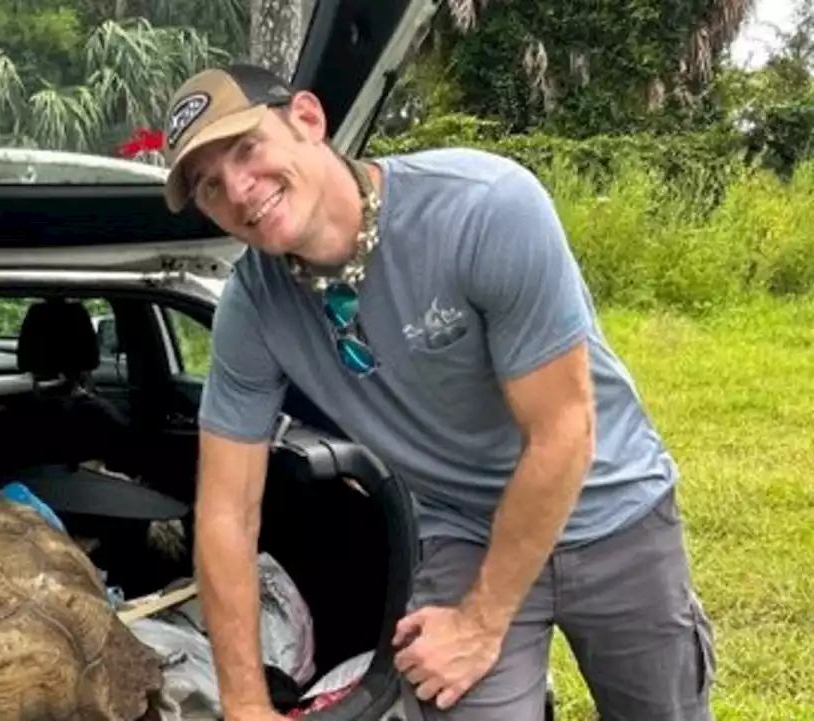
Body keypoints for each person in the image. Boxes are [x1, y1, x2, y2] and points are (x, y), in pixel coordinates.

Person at [160, 62, 717, 721]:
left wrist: (482, 624)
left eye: (247, 149)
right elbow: (227, 512)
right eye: (210, 186)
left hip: (611, 507)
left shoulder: (483, 208)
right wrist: (248, 704)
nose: (240, 191)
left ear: (308, 118)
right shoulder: (253, 308)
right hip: (464, 525)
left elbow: (564, 430)